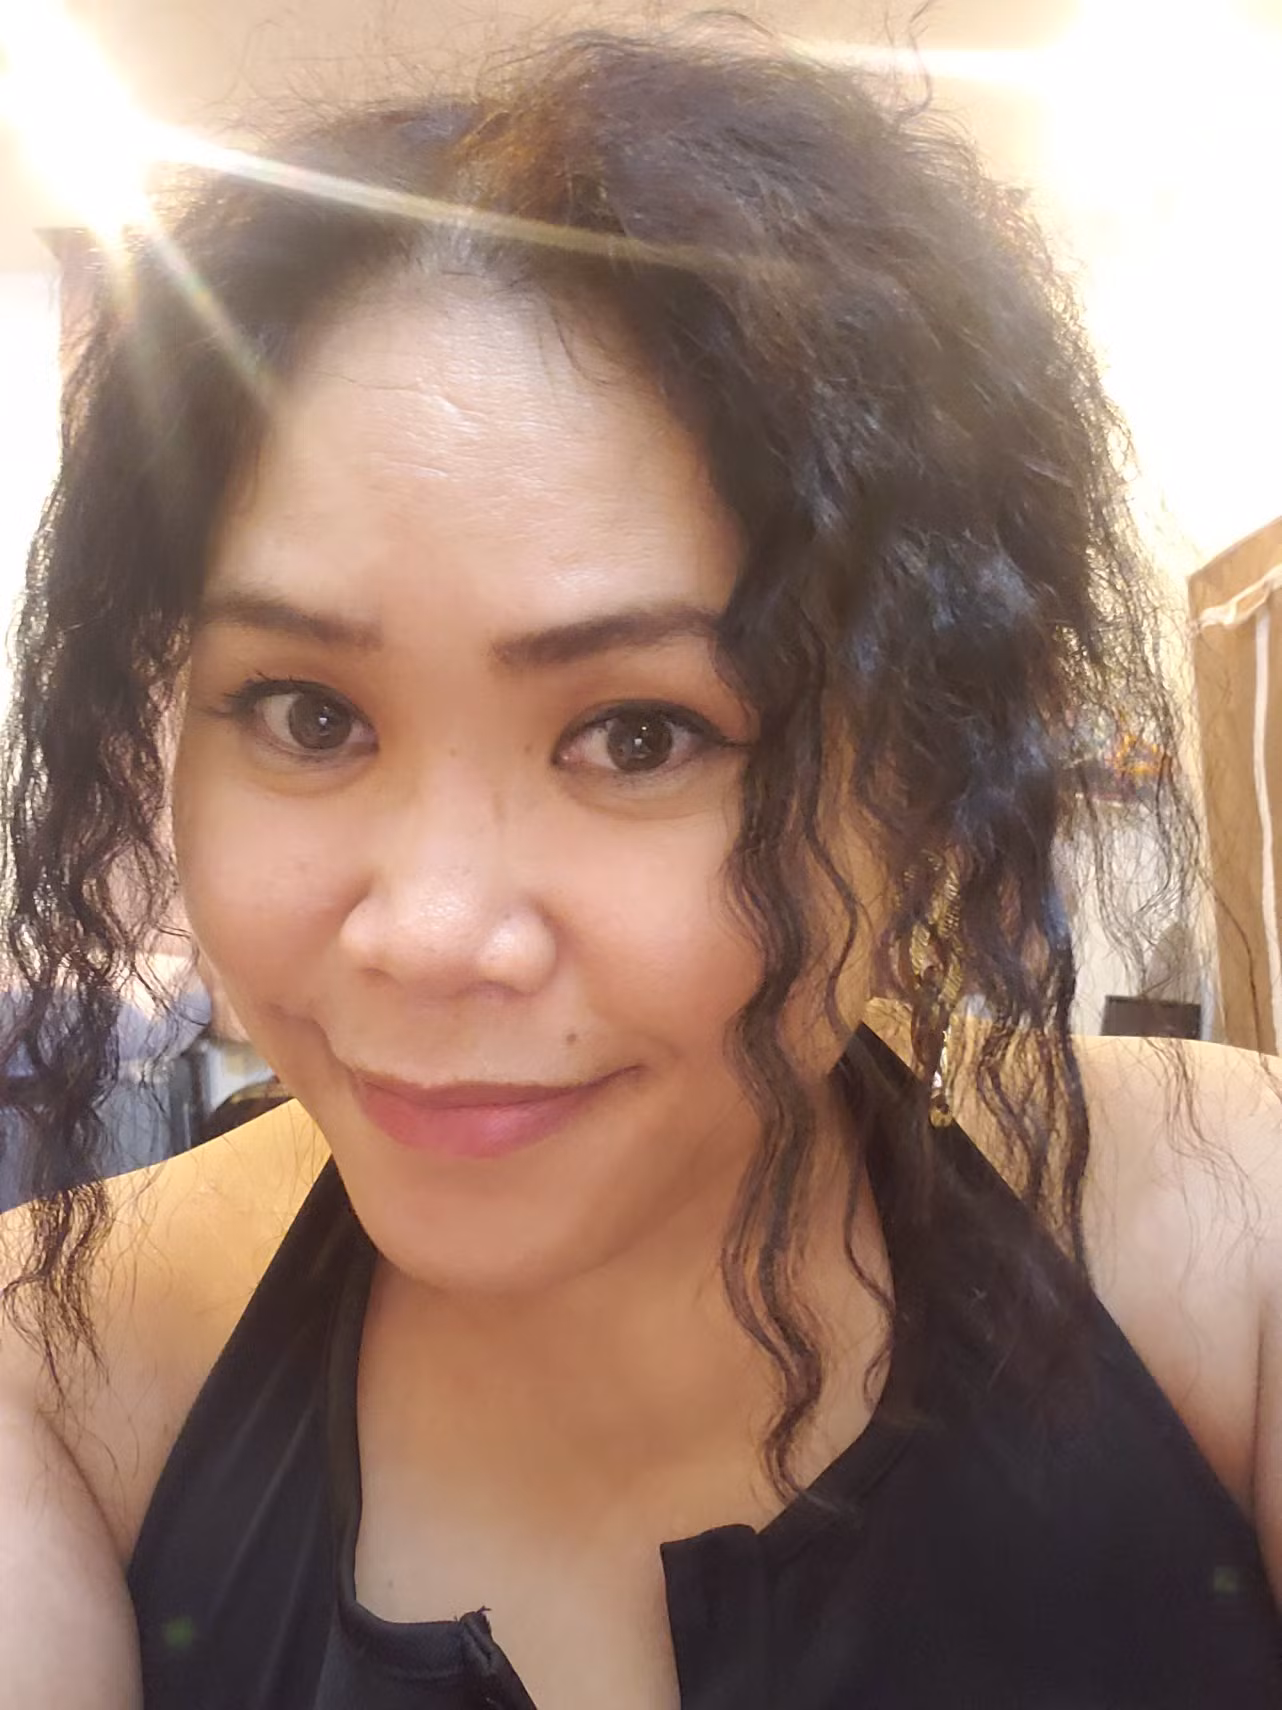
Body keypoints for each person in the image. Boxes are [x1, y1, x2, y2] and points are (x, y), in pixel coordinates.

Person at [1, 22, 1280, 1709]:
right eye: (309, 714)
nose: (426, 931)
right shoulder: (56, 1369)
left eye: (639, 733)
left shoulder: (1233, 1240)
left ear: (926, 779)